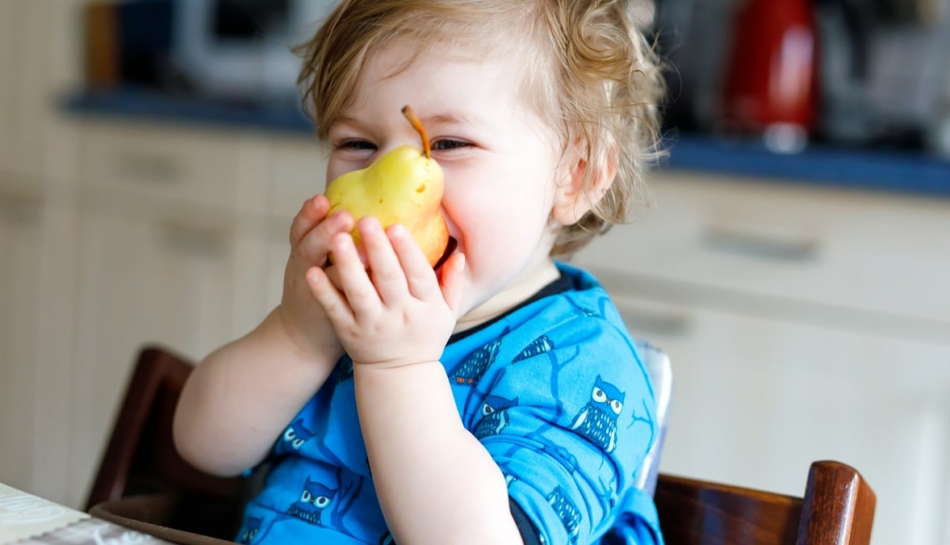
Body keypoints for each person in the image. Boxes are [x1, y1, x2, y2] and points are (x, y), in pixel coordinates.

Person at [172, 0, 666, 543]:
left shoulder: (583, 365)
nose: (393, 176)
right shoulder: (343, 314)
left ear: (575, 176)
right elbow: (204, 447)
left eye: (448, 144)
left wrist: (398, 368)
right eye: (357, 144)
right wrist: (295, 333)